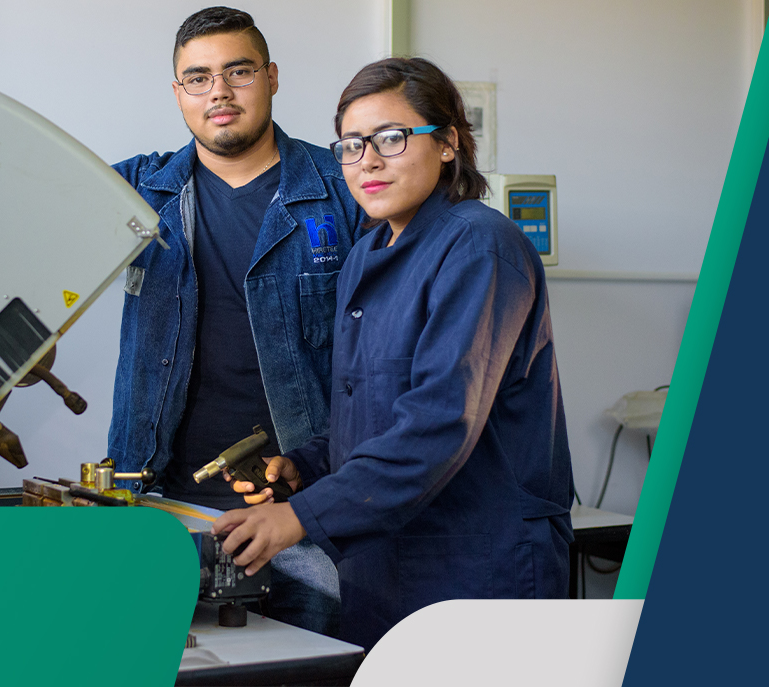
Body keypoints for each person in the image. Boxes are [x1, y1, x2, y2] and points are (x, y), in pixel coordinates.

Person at [214, 57, 576, 650]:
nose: (368, 162)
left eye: (391, 138)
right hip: (385, 567)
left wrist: (300, 517)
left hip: (477, 568)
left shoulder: (479, 246)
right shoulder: (366, 254)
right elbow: (367, 414)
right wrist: (304, 466)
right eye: (352, 145)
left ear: (448, 144)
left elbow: (438, 423)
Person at [107, 6, 364, 635]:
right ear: (178, 94)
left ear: (273, 77)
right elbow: (19, 243)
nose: (218, 92)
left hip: (303, 516)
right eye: (198, 78)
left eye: (238, 71)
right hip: (159, 506)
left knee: (315, 670)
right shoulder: (137, 192)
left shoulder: (346, 188)